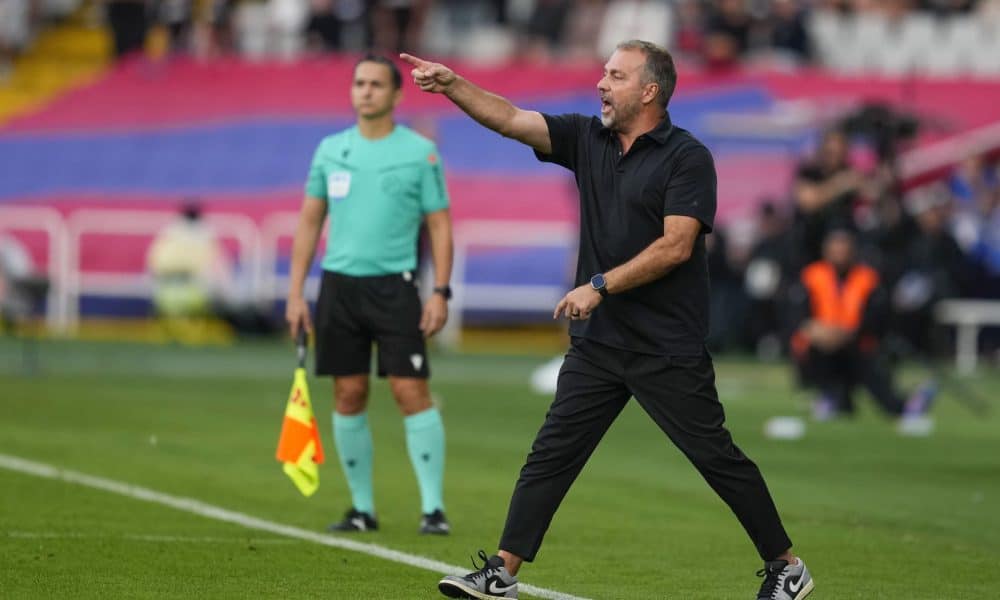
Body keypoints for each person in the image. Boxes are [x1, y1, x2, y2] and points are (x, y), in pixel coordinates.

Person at [402, 40, 814, 600]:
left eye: (616, 75)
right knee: (552, 453)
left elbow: (676, 246)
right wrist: (454, 85)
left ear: (649, 92)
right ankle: (502, 570)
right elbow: (510, 118)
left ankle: (787, 565)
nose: (602, 83)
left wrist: (600, 285)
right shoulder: (586, 137)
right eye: (603, 72)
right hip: (599, 344)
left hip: (665, 344)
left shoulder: (688, 158)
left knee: (715, 457)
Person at [285, 54, 453, 536]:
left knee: (410, 391)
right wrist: (296, 293)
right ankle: (362, 509)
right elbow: (309, 221)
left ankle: (433, 509)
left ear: (397, 95)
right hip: (338, 287)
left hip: (395, 287)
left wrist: (440, 290)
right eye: (360, 83)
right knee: (348, 393)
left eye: (377, 84)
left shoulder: (420, 152)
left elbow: (440, 224)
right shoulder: (330, 150)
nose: (366, 91)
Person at [788, 228, 936, 430]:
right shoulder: (812, 275)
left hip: (855, 344)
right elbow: (797, 315)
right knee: (819, 357)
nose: (840, 253)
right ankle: (832, 399)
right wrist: (819, 332)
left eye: (844, 248)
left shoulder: (867, 278)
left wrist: (843, 334)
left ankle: (905, 405)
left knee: (874, 375)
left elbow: (874, 318)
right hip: (820, 344)